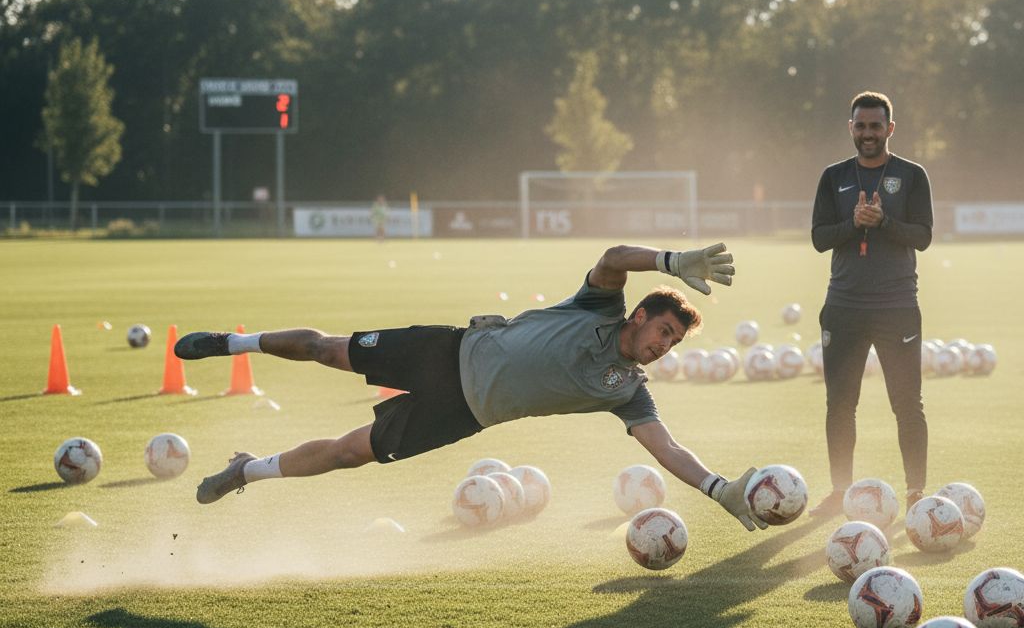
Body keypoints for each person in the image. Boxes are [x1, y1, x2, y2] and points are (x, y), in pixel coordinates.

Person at [175, 243, 768, 531]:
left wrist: (720, 489)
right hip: (447, 351)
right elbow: (612, 256)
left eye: (674, 341)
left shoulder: (627, 391)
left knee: (348, 453)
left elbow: (667, 450)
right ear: (639, 316)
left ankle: (246, 470)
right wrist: (670, 259)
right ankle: (231, 343)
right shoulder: (598, 304)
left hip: (463, 414)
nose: (665, 345)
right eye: (664, 330)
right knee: (325, 348)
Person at [809, 91, 933, 517]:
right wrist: (853, 223)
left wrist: (884, 222)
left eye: (875, 126)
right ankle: (840, 488)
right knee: (840, 402)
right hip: (843, 306)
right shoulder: (833, 177)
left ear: (890, 129)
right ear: (851, 129)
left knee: (907, 403)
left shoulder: (912, 175)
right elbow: (820, 238)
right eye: (860, 126)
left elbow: (923, 236)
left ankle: (916, 491)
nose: (867, 134)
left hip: (897, 306)